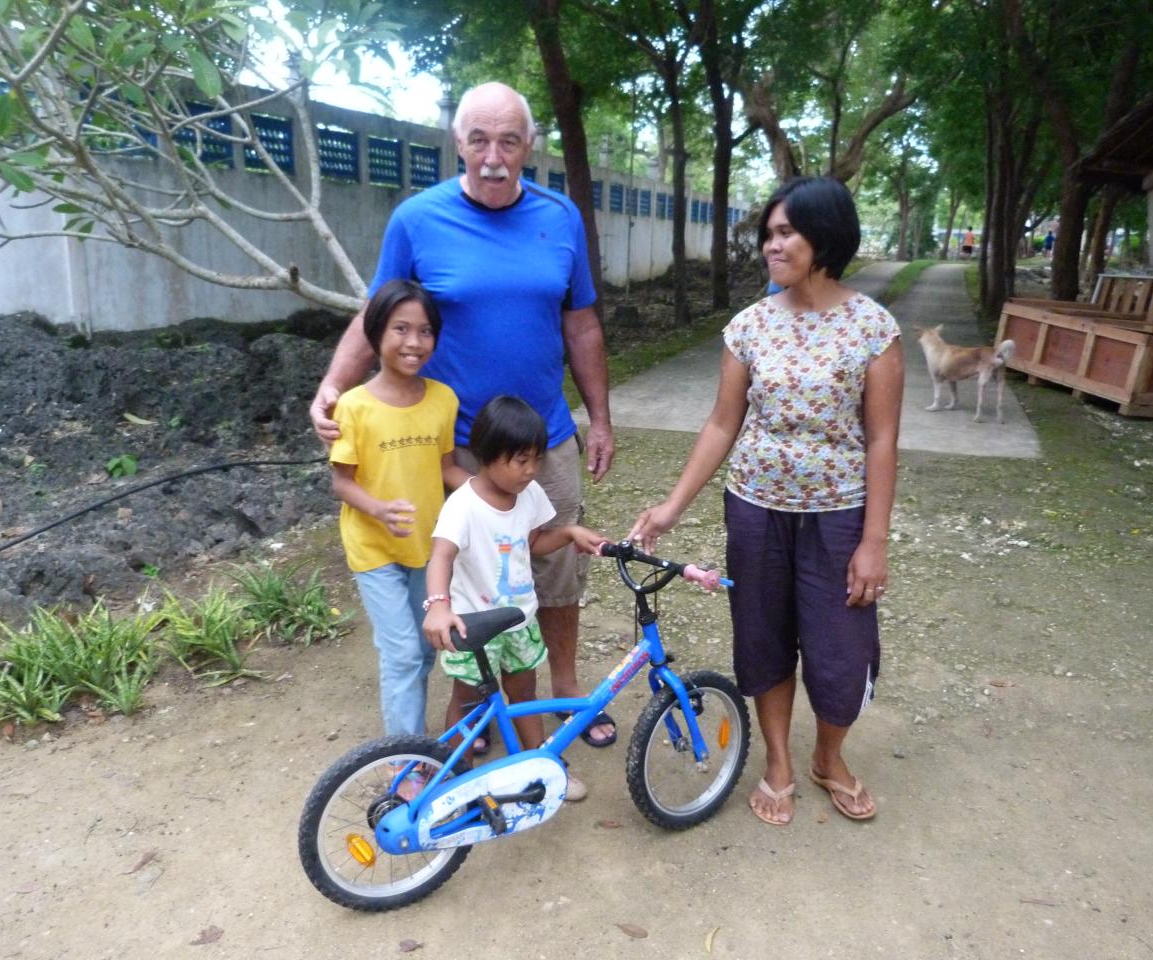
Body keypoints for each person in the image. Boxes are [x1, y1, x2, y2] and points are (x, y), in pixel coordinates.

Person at [309, 81, 618, 749]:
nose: (493, 155)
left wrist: (600, 417)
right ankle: (474, 711)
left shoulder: (560, 216)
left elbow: (583, 324)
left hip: (543, 440)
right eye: (478, 139)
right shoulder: (417, 220)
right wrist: (333, 386)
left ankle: (564, 692)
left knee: (556, 571)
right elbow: (379, 316)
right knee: (465, 578)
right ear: (458, 143)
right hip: (449, 448)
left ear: (529, 146)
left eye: (508, 140)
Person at [629, 176, 903, 827]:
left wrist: (873, 540)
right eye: (769, 234)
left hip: (839, 518)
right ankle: (779, 760)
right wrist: (672, 506)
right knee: (763, 638)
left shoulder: (872, 328)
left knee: (842, 649)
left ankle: (828, 759)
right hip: (754, 511)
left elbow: (883, 438)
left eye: (787, 233)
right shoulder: (749, 327)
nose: (773, 245)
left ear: (825, 235)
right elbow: (722, 425)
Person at [422, 396, 607, 802]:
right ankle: (449, 780)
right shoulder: (463, 506)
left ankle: (540, 770)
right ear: (488, 454)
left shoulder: (529, 494)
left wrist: (572, 533)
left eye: (536, 459)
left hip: (520, 621)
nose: (531, 470)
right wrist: (438, 604)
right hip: (472, 627)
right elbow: (441, 556)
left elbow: (536, 542)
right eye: (521, 460)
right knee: (466, 701)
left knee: (525, 695)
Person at [327, 280, 467, 740]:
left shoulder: (443, 399)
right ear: (375, 334)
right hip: (374, 550)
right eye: (401, 328)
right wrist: (380, 509)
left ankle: (412, 733)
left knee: (425, 650)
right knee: (403, 652)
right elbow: (341, 482)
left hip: (426, 548)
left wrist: (498, 497)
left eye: (425, 331)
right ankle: (406, 761)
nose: (414, 342)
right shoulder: (354, 406)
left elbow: (446, 468)